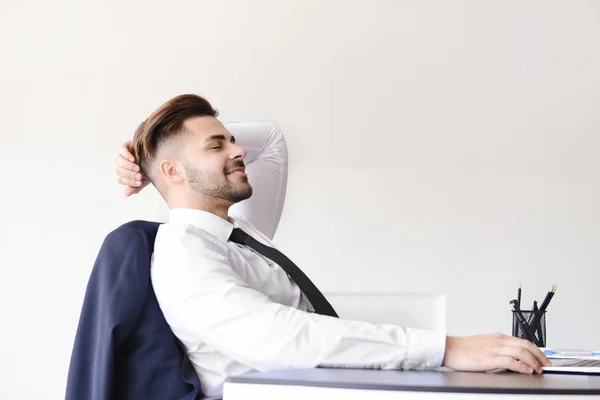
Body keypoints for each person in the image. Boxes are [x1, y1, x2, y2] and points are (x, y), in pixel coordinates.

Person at [115, 94, 550, 398]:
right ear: (173, 170)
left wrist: (145, 152)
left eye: (232, 139)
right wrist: (447, 349)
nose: (239, 151)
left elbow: (269, 139)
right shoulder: (186, 252)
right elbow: (282, 338)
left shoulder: (240, 231)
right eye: (217, 144)